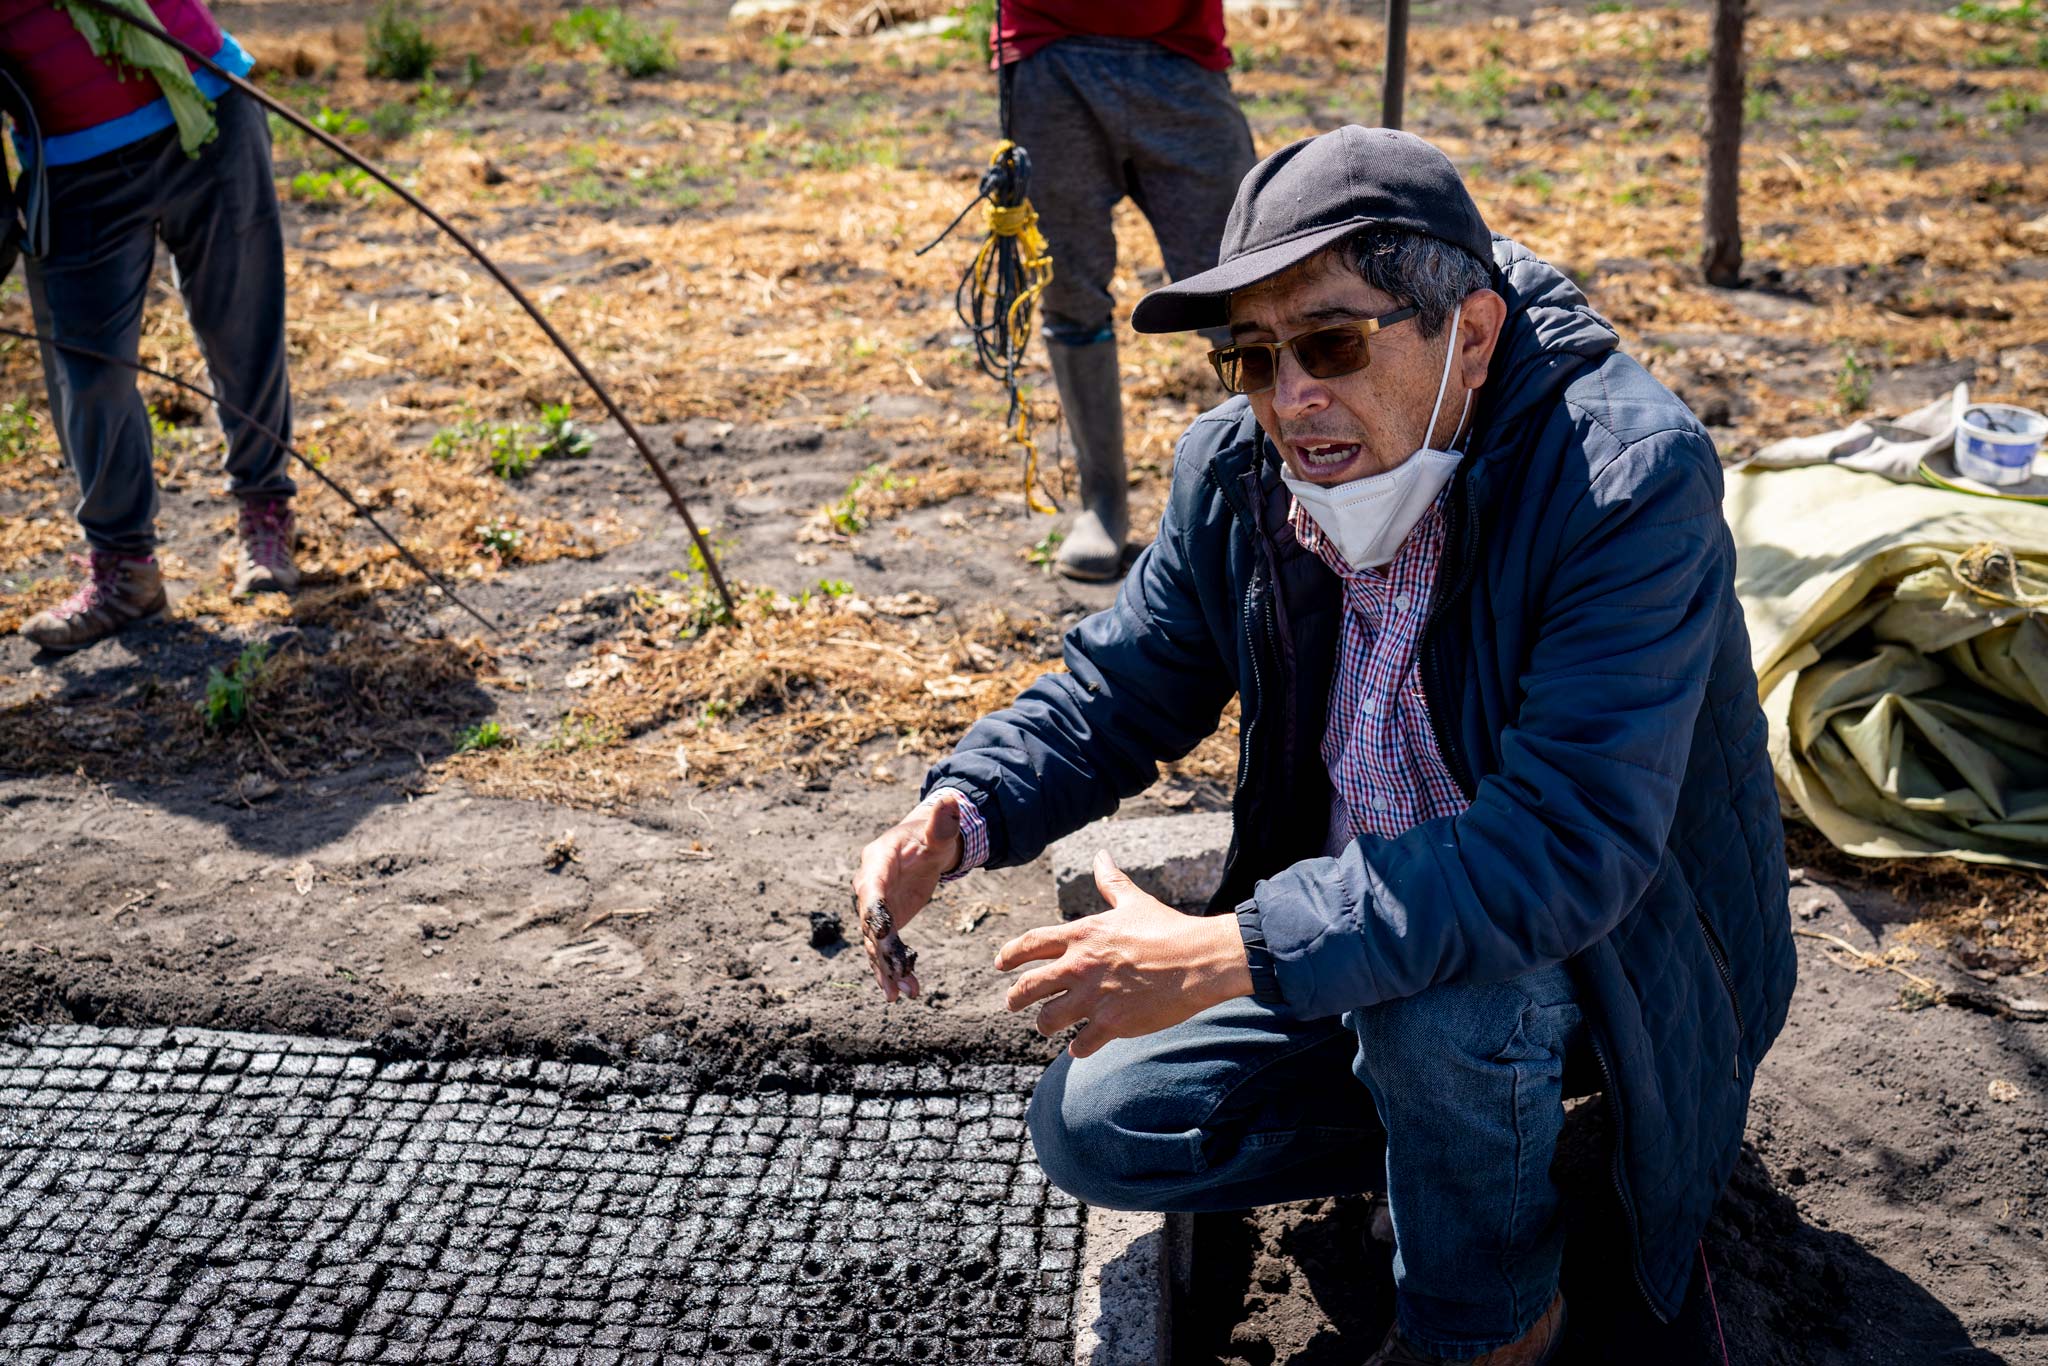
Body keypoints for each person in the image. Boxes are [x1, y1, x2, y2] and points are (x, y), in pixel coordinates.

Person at [854, 126, 1795, 1364]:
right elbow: (1125, 680)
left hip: (1606, 960)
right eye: (1249, 356)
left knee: (1441, 1002)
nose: (1289, 397)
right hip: (1351, 933)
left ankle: (1492, 1320)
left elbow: (1562, 848)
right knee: (1099, 1124)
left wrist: (1232, 947)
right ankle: (1457, 1137)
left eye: (1331, 345)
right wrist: (962, 807)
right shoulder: (1240, 467)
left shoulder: (1618, 481)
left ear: (1468, 333)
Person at [1, 0, 300, 653]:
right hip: (72, 162)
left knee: (242, 330)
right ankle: (125, 572)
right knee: (89, 374)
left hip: (206, 108)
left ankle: (264, 514)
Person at [995, 0, 1254, 580]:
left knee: (1243, 287)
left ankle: (1261, 491)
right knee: (1069, 288)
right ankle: (1103, 504)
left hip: (1179, 48)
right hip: (1048, 48)